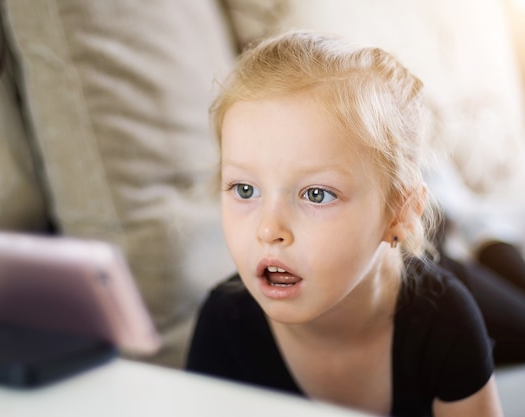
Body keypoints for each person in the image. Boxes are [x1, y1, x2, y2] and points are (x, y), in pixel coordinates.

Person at [185, 31, 503, 417]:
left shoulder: (445, 320)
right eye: (245, 189)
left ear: (399, 213)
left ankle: (494, 247)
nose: (268, 230)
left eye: (316, 194)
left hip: (427, 267)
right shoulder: (224, 325)